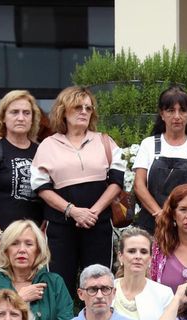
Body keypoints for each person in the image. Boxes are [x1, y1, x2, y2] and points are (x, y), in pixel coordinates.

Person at [31, 86, 125, 295]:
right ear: (63, 111)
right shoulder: (48, 145)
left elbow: (117, 181)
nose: (84, 112)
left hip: (98, 224)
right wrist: (73, 211)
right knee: (59, 285)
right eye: (77, 107)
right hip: (60, 227)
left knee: (99, 283)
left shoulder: (105, 141)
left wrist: (94, 212)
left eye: (88, 108)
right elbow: (40, 186)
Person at [0, 90, 44, 264]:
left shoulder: (42, 151)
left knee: (30, 290)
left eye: (26, 113)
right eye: (14, 112)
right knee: (0, 291)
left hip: (31, 243)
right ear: (3, 117)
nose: (21, 117)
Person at [132, 86, 187, 232]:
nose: (177, 116)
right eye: (170, 110)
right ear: (162, 114)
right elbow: (139, 185)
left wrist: (180, 216)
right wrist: (160, 214)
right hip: (151, 223)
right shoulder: (148, 144)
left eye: (182, 110)